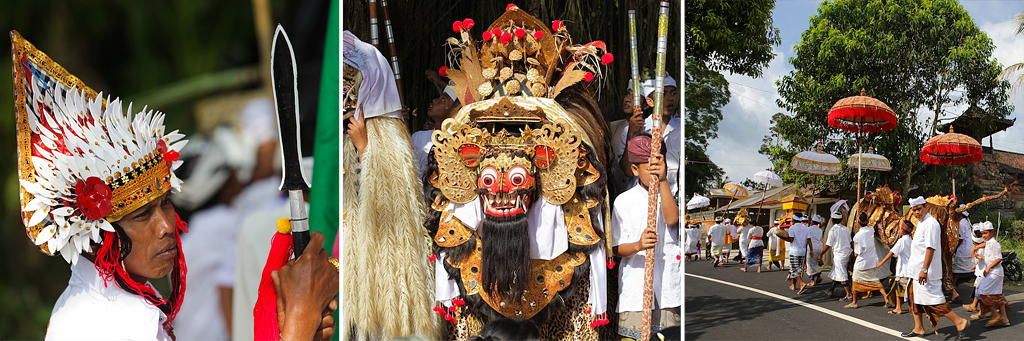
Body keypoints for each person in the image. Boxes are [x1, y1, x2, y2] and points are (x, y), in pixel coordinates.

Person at [10, 31, 335, 340]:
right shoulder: (106, 328)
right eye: (141, 215)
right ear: (95, 237)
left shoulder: (128, 303)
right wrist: (299, 325)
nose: (167, 226)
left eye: (165, 203)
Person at [422, 7, 614, 339]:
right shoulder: (463, 207)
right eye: (488, 182)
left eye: (515, 180)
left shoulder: (563, 196)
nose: (500, 194)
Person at [342, 30, 439, 339]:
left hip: (390, 259)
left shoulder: (387, 134)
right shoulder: (351, 129)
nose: (345, 96)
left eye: (350, 83)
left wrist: (364, 150)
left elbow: (391, 199)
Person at [613, 135, 680, 341]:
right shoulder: (624, 202)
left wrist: (663, 181)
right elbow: (616, 248)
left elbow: (671, 219)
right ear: (635, 170)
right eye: (649, 168)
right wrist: (638, 244)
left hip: (666, 287)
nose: (655, 172)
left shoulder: (669, 195)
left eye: (659, 166)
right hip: (636, 288)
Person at [902, 197, 969, 340]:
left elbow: (930, 248)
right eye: (913, 210)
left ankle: (960, 321)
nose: (916, 212)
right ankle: (918, 327)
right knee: (914, 298)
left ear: (925, 207)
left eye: (919, 209)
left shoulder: (931, 224)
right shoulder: (921, 223)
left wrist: (924, 270)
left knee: (934, 302)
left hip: (927, 273)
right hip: (916, 271)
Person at [411, 83, 461, 177]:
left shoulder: (457, 143)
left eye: (443, 99)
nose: (434, 101)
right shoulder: (418, 137)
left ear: (453, 109)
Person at [848, 212, 887, 309]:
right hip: (872, 260)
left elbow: (857, 253)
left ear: (858, 222)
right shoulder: (871, 230)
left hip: (862, 262)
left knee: (855, 280)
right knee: (876, 281)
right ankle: (886, 299)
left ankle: (854, 302)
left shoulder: (857, 236)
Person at [975, 221, 1010, 328]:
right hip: (994, 272)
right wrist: (982, 257)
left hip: (994, 272)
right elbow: (992, 258)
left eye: (986, 233)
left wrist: (988, 268)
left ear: (992, 232)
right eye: (982, 234)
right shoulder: (989, 243)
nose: (984, 235)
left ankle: (995, 314)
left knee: (982, 292)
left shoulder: (994, 243)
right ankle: (1004, 318)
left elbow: (998, 258)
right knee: (996, 294)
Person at [877, 220, 914, 315]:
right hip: (910, 269)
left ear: (902, 230)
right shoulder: (911, 240)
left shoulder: (902, 241)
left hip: (904, 270)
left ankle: (899, 308)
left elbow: (892, 252)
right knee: (906, 289)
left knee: (900, 289)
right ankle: (905, 307)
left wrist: (881, 262)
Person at [820, 210, 853, 301]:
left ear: (833, 220)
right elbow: (851, 242)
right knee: (837, 272)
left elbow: (828, 244)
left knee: (842, 274)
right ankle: (831, 290)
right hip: (846, 253)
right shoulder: (846, 229)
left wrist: (822, 254)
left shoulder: (833, 230)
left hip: (839, 255)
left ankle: (849, 294)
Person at [782, 213, 811, 294]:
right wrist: (811, 250)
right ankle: (793, 285)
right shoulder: (806, 228)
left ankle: (802, 284)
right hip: (802, 251)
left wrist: (783, 238)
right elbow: (809, 240)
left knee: (794, 270)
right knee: (797, 269)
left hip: (794, 251)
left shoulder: (792, 228)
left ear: (793, 220)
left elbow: (791, 239)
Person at [951, 206, 973, 303]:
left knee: (955, 272)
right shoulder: (966, 222)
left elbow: (960, 239)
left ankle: (953, 292)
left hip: (962, 250)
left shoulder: (960, 224)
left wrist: (954, 249)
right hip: (968, 249)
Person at [806, 215, 825, 285]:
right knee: (815, 263)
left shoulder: (808, 229)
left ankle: (812, 281)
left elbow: (807, 239)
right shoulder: (820, 230)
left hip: (811, 248)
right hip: (818, 248)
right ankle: (819, 276)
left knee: (810, 265)